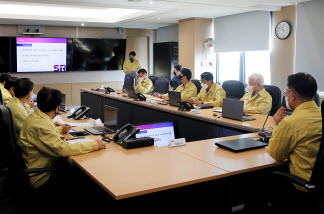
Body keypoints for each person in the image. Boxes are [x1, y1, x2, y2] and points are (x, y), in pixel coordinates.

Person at [19, 87, 106, 189]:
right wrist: (95, 144)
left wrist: (60, 129)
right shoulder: (41, 125)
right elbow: (63, 150)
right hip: (42, 178)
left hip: (39, 166)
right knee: (84, 174)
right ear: (56, 108)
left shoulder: (34, 117)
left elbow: (43, 135)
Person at [268, 73, 321, 192]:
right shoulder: (320, 114)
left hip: (304, 184)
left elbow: (276, 154)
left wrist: (277, 125)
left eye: (286, 93)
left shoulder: (290, 122)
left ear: (292, 95)